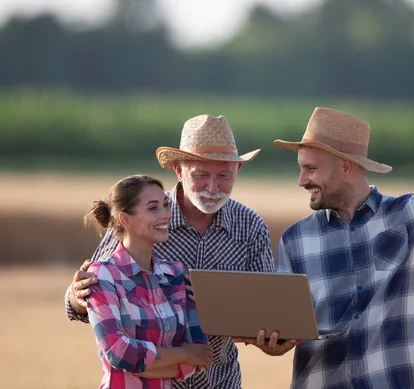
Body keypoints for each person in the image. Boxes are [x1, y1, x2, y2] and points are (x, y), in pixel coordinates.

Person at [235, 107, 414, 389]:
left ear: (346, 166)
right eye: (301, 169)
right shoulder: (294, 240)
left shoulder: (411, 215)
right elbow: (281, 325)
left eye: (311, 169)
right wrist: (273, 344)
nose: (302, 180)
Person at [65, 114, 275, 389]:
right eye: (201, 175)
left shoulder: (250, 227)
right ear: (178, 170)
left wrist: (255, 327)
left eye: (224, 175)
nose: (213, 187)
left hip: (221, 381)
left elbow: (267, 312)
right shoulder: (140, 217)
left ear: (237, 171)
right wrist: (76, 297)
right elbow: (97, 295)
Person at [84, 174, 213, 388]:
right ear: (126, 219)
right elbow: (118, 353)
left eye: (165, 205)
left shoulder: (177, 275)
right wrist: (183, 354)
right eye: (153, 208)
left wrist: (138, 364)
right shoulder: (103, 276)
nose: (166, 215)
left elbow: (201, 355)